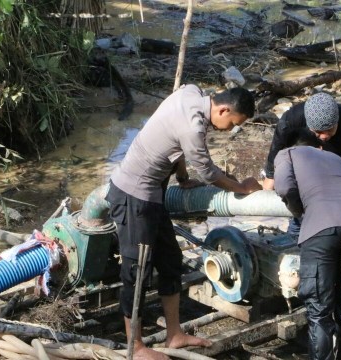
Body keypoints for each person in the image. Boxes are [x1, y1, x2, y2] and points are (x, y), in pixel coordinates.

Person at [105, 84, 262, 360]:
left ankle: (174, 334)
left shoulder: (191, 92)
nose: (226, 130)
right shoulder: (194, 127)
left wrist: (181, 178)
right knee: (137, 270)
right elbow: (210, 173)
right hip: (133, 195)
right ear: (223, 109)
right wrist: (241, 188)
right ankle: (136, 347)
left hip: (153, 195)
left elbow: (173, 143)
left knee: (170, 259)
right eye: (230, 124)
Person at [273, 128, 341, 360]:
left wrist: (301, 212)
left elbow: (284, 187)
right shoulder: (338, 159)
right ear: (318, 146)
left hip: (319, 230)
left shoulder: (287, 154)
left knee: (320, 313)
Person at [262, 92, 341, 237]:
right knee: (301, 207)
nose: (324, 136)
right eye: (318, 132)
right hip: (307, 163)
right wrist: (270, 176)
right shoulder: (292, 120)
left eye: (330, 130)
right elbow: (277, 147)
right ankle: (295, 237)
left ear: (337, 121)